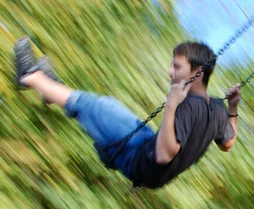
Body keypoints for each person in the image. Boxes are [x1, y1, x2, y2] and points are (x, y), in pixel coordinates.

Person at [14, 37, 241, 189]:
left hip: (138, 160)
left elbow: (164, 154)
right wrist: (233, 108)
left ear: (197, 74)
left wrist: (171, 105)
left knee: (92, 106)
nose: (170, 72)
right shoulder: (218, 110)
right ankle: (51, 91)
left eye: (177, 67)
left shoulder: (187, 105)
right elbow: (228, 142)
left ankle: (29, 76)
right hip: (147, 148)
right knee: (107, 105)